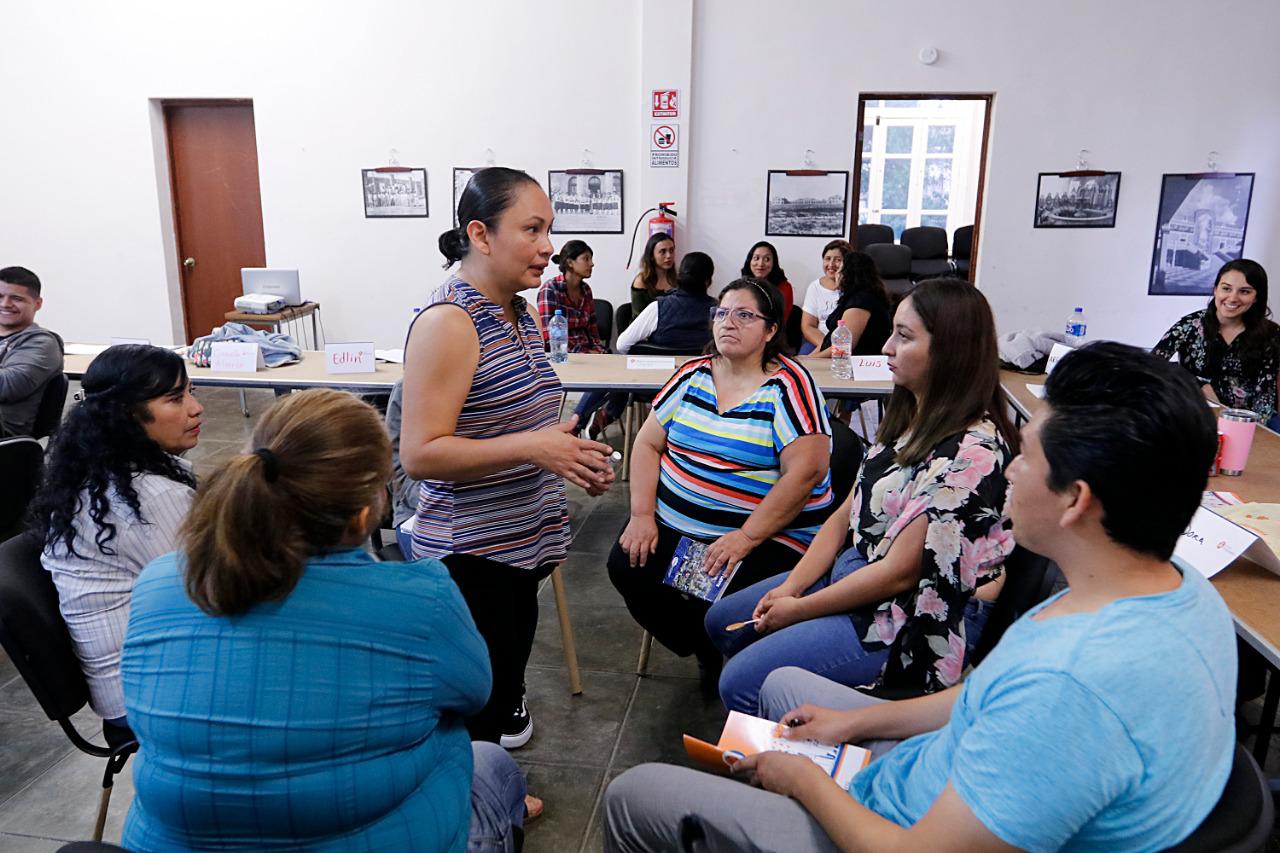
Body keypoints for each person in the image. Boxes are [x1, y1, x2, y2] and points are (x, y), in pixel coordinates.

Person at [603, 342, 1236, 853]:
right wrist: (856, 721)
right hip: (930, 773)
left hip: (896, 825)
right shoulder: (1168, 590)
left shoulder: (1071, 688)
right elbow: (986, 696)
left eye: (1030, 457)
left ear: (1077, 500)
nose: (1010, 469)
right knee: (778, 693)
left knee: (634, 795)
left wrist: (802, 782)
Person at [119, 390, 532, 852]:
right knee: (492, 764)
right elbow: (475, 696)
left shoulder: (159, 582)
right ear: (363, 512)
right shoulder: (422, 600)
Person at [705, 279, 1016, 712]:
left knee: (739, 681)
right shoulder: (911, 415)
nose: (886, 347)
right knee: (723, 622)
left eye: (903, 337)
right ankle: (777, 715)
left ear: (951, 351)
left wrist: (800, 608)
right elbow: (847, 511)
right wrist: (793, 587)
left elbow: (899, 575)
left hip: (915, 616)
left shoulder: (972, 455)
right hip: (863, 574)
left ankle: (796, 757)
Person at [401, 167, 615, 750]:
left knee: (498, 691)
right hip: (473, 557)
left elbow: (511, 418)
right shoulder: (451, 320)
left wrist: (566, 450)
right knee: (474, 712)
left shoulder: (514, 311)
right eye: (532, 229)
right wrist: (534, 446)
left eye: (549, 229)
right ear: (481, 234)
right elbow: (420, 453)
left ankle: (491, 790)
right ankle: (476, 817)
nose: (548, 246)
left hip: (520, 549)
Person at [607, 277, 833, 683]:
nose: (729, 322)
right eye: (723, 312)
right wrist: (641, 514)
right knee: (626, 566)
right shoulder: (692, 374)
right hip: (676, 526)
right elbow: (646, 445)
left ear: (770, 330)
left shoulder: (790, 387)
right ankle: (705, 642)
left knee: (708, 584)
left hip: (761, 537)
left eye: (745, 315)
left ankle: (719, 646)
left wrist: (745, 536)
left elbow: (807, 474)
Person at [29, 344, 201, 747]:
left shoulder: (100, 472)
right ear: (126, 414)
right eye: (176, 398)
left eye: (191, 392)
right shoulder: (148, 496)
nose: (195, 409)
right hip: (146, 696)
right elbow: (211, 596)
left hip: (128, 684)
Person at [1153, 258, 1278, 423]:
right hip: (1193, 413)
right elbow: (1153, 365)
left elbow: (1265, 393)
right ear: (1215, 290)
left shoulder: (1272, 334)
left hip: (1243, 420)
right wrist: (1199, 386)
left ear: (1256, 297)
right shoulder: (1190, 325)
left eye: (1245, 291)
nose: (1232, 298)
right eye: (1226, 288)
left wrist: (1254, 429)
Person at [538, 239, 612, 430]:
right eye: (586, 259)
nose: (592, 264)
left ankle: (587, 423)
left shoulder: (586, 290)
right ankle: (579, 425)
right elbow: (549, 335)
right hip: (562, 356)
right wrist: (585, 353)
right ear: (570, 263)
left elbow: (593, 330)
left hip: (588, 354)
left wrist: (598, 350)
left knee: (620, 378)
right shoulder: (550, 290)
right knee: (606, 378)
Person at [0, 265, 64, 437]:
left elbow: (7, 386)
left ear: (37, 304)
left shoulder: (41, 342)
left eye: (16, 298)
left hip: (6, 437)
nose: (5, 304)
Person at [616, 251, 716, 353]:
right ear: (708, 282)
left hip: (659, 368)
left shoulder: (658, 307)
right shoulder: (719, 311)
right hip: (702, 368)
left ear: (679, 276)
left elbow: (622, 345)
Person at [813, 250, 893, 357]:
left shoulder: (861, 302)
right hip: (834, 361)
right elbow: (829, 340)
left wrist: (811, 361)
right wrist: (808, 358)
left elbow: (843, 347)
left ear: (848, 274)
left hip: (852, 366)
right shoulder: (852, 297)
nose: (836, 274)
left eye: (839, 270)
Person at [800, 240, 853, 354]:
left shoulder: (854, 289)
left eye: (838, 260)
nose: (831, 264)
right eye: (827, 259)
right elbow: (808, 326)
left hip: (844, 343)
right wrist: (825, 346)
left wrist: (831, 348)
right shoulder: (815, 287)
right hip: (818, 340)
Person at [741, 241, 794, 326]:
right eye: (756, 258)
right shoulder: (741, 286)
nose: (761, 264)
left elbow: (779, 320)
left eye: (767, 259)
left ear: (774, 263)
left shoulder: (784, 287)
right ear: (749, 261)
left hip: (772, 333)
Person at [630, 232, 677, 317]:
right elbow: (639, 318)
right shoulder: (642, 281)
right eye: (663, 252)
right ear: (652, 256)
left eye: (671, 250)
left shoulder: (677, 278)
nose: (669, 256)